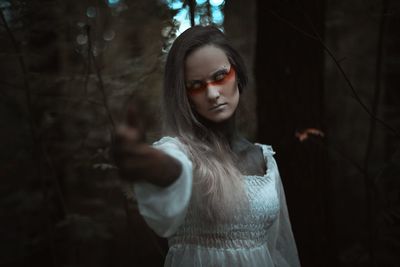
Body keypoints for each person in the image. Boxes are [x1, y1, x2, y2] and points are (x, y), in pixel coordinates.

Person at [114, 25, 300, 267]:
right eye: (196, 85)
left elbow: (280, 247)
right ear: (184, 95)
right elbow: (173, 167)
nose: (212, 93)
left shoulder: (264, 158)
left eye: (220, 77)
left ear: (238, 73)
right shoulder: (181, 151)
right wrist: (151, 164)